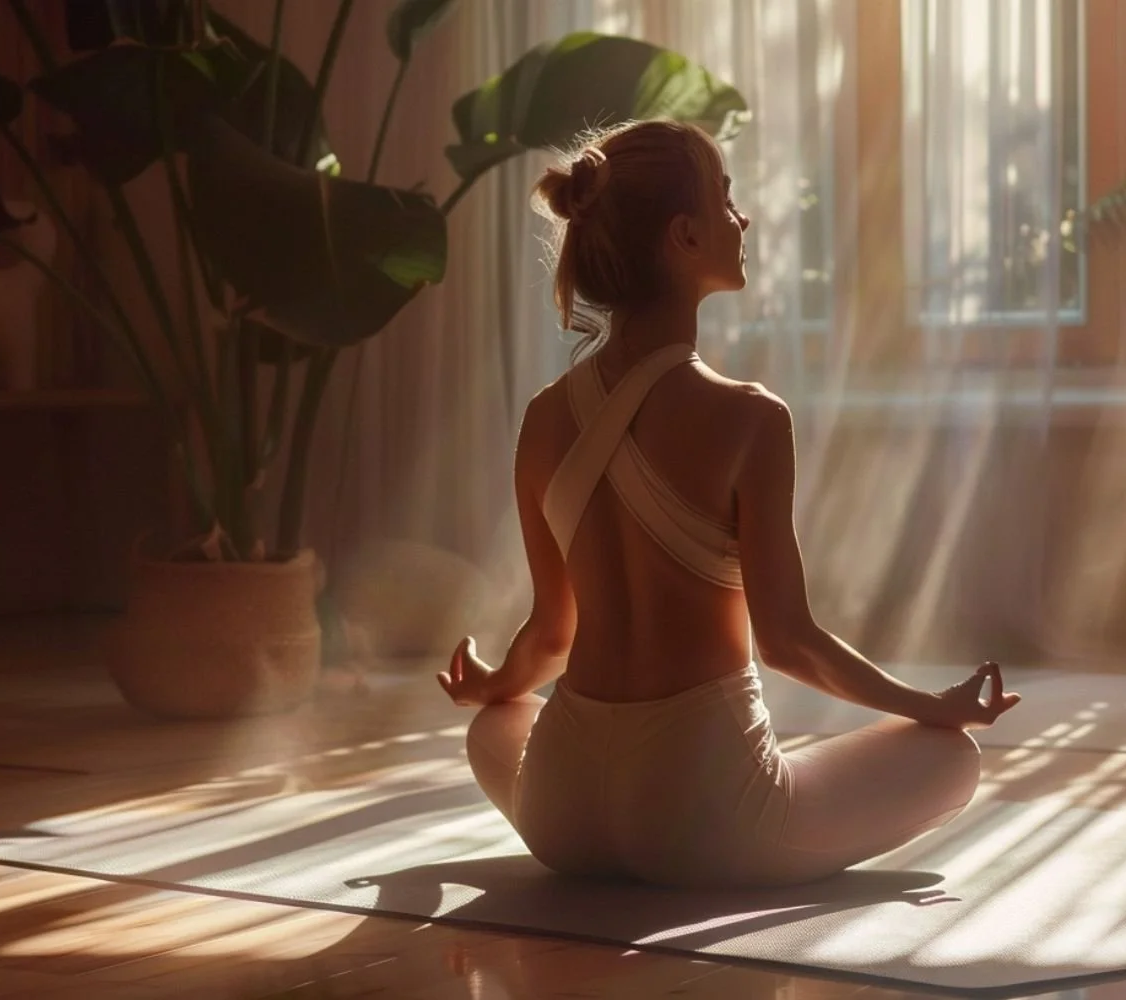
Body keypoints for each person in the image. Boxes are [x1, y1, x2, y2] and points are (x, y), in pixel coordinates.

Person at [436, 119, 1021, 889]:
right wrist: (932, 706)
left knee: (496, 725)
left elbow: (550, 636)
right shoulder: (751, 417)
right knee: (951, 758)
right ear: (684, 236)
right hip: (706, 818)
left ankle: (581, 803)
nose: (742, 220)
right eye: (726, 198)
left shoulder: (544, 418)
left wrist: (492, 686)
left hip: (561, 810)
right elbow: (788, 643)